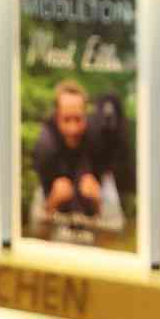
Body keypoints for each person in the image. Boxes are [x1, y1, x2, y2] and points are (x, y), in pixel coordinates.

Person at [30, 81, 100, 227]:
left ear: (86, 117)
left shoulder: (97, 146)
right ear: (56, 118)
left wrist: (97, 202)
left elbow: (117, 232)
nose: (73, 129)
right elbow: (32, 231)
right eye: (66, 119)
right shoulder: (44, 149)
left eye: (78, 119)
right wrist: (52, 203)